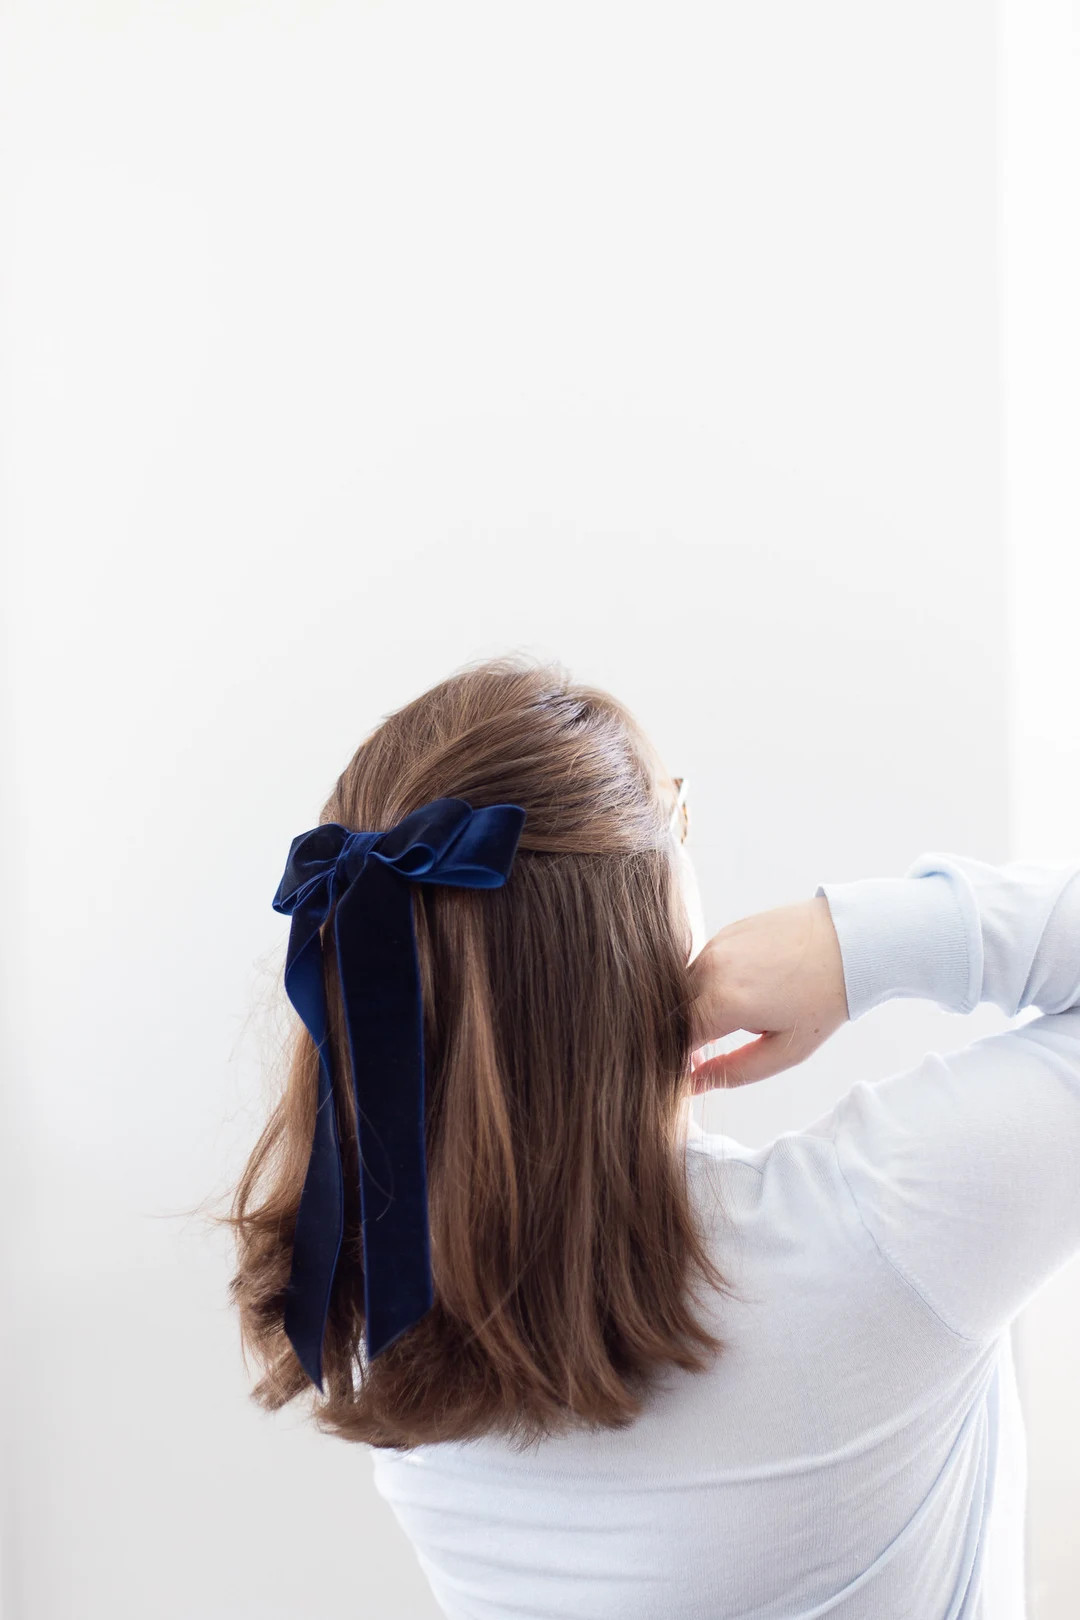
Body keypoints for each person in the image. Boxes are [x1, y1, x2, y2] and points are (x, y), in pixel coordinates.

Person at [225, 653, 1080, 1619]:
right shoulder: (879, 1241)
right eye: (681, 817)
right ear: (634, 922)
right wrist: (865, 942)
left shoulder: (392, 1330)